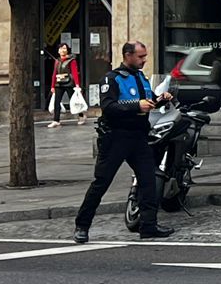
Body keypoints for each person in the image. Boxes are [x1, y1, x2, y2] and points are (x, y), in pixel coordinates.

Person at [72, 41, 173, 243]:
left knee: (148, 180)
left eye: (145, 56)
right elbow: (109, 106)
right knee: (101, 182)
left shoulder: (140, 78)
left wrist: (160, 99)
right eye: (140, 56)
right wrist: (136, 105)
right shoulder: (112, 79)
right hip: (115, 137)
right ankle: (82, 226)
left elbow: (148, 100)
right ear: (127, 55)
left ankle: (148, 226)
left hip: (138, 136)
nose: (144, 60)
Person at [45, 41, 83, 129]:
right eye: (61, 48)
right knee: (56, 102)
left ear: (67, 50)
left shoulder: (71, 60)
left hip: (69, 83)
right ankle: (56, 120)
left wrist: (77, 84)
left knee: (74, 101)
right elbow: (54, 73)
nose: (63, 50)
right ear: (58, 50)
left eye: (65, 48)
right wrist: (52, 86)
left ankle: (81, 115)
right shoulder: (57, 61)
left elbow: (74, 72)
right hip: (59, 83)